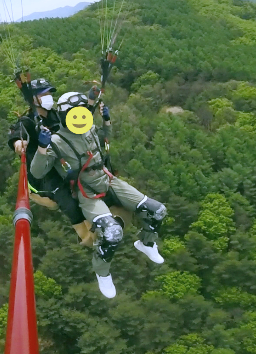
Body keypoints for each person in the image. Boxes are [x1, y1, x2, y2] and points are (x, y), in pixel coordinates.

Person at [30, 91, 167, 298]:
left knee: (157, 211)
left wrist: (107, 121)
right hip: (86, 191)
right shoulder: (57, 142)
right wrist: (42, 147)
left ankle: (146, 242)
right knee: (112, 233)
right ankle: (102, 272)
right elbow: (37, 172)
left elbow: (104, 142)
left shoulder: (90, 131)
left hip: (107, 180)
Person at [7, 79, 96, 246]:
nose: (49, 97)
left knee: (90, 181)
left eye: (49, 94)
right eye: (44, 94)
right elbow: (18, 134)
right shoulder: (28, 121)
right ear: (34, 99)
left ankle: (98, 225)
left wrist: (90, 103)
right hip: (43, 176)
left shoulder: (56, 115)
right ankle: (85, 237)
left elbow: (76, 123)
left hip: (61, 164)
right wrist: (18, 143)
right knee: (67, 199)